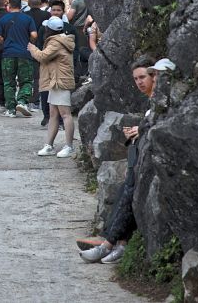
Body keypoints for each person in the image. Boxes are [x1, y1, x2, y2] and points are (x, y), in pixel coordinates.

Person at [80, 59, 160, 264]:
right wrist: (137, 131)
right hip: (140, 159)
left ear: (154, 76)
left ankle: (108, 244)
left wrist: (139, 130)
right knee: (125, 193)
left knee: (128, 193)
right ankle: (118, 243)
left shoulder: (160, 102)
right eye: (135, 79)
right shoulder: (153, 102)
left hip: (149, 163)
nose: (139, 82)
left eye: (143, 77)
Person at [29, 11, 77, 157]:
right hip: (55, 82)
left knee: (65, 114)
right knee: (53, 114)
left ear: (50, 30)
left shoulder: (56, 42)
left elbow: (42, 57)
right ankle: (49, 145)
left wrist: (32, 48)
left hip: (60, 81)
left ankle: (69, 146)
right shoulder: (61, 39)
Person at [0, 0, 38, 117]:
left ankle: (10, 109)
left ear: (9, 6)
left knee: (8, 82)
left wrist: (5, 42)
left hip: (8, 54)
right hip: (24, 53)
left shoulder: (3, 19)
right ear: (21, 5)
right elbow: (34, 35)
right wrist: (29, 42)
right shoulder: (28, 19)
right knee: (26, 80)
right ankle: (22, 102)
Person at [66, 0, 95, 83]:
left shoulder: (76, 1)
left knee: (78, 52)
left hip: (77, 28)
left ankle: (77, 75)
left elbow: (69, 17)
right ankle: (86, 72)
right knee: (86, 50)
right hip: (89, 28)